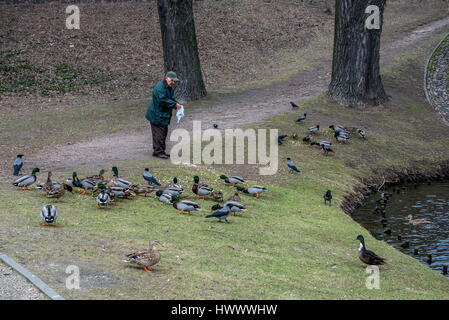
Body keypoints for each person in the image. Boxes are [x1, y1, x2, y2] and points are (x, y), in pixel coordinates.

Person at [145, 71, 182, 159]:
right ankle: (158, 152)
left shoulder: (169, 88)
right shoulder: (160, 88)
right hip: (156, 115)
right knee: (159, 134)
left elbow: (171, 99)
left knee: (163, 133)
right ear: (166, 78)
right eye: (172, 80)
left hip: (162, 115)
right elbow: (163, 100)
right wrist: (173, 105)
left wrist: (176, 104)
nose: (173, 82)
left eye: (174, 81)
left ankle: (160, 151)